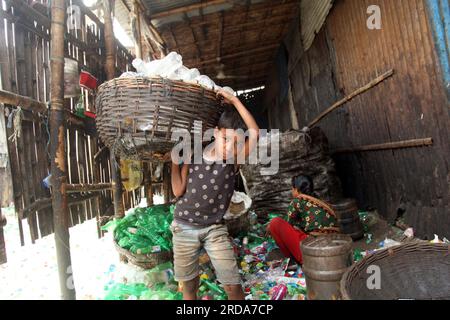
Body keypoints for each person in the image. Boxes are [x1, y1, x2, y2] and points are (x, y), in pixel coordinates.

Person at [169, 88, 259, 300]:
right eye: (226, 138)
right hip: (183, 227)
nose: (230, 146)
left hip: (214, 229)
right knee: (190, 287)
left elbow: (254, 132)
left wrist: (235, 100)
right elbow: (177, 190)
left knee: (232, 285)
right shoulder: (194, 155)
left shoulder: (232, 161)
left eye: (236, 142)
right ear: (216, 132)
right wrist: (174, 164)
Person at [267, 175, 339, 265]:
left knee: (275, 223)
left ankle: (292, 260)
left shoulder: (298, 201)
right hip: (334, 248)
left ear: (296, 190)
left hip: (315, 251)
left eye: (292, 189)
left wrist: (269, 230)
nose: (292, 191)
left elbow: (287, 223)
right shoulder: (318, 200)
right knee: (297, 230)